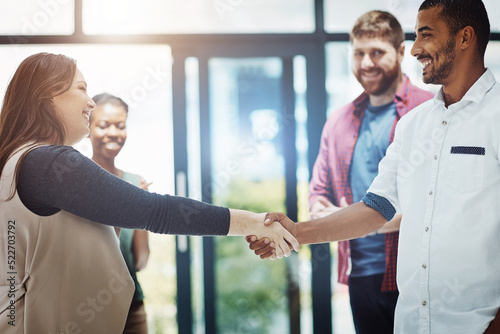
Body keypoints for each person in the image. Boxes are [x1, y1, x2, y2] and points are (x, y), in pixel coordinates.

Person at [0, 52, 299, 334]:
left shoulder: (22, 161)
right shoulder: (50, 162)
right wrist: (255, 223)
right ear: (50, 96)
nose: (91, 102)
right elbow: (155, 211)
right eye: (81, 88)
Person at [250, 0, 500, 332]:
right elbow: (375, 207)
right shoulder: (413, 125)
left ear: (465, 37)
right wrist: (296, 231)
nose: (416, 50)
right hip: (411, 323)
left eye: (426, 35)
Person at [307, 10, 433, 334]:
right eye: (359, 53)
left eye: (377, 52)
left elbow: (434, 204)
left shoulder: (430, 111)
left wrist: (360, 223)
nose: (366, 63)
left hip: (417, 277)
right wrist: (323, 212)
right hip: (359, 276)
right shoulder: (338, 122)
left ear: (401, 52)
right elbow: (318, 193)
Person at [89, 93, 151, 334]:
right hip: (87, 309)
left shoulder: (136, 183)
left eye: (120, 125)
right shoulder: (75, 184)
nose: (113, 132)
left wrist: (142, 212)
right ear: (88, 128)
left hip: (132, 308)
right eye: (103, 125)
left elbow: (140, 261)